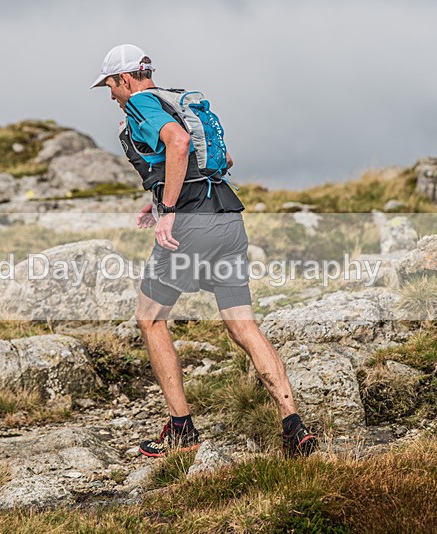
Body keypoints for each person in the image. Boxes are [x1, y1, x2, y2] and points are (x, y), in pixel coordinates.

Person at [91, 44, 318, 458]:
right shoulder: (178, 100)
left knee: (150, 320)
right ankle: (293, 426)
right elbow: (221, 158)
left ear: (125, 78)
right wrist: (158, 197)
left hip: (190, 225)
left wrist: (171, 210)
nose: (110, 94)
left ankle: (181, 431)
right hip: (228, 219)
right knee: (242, 326)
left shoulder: (141, 105)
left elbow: (177, 145)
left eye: (109, 84)